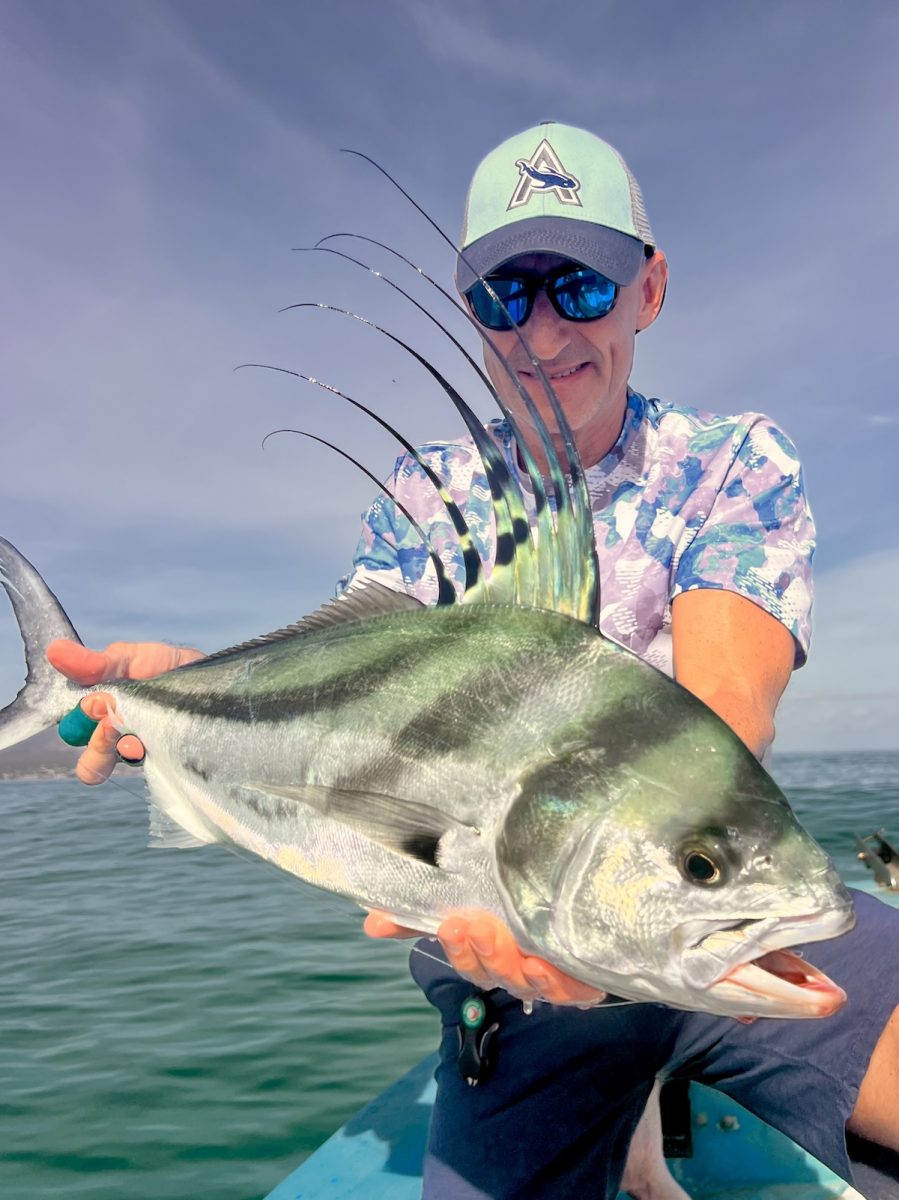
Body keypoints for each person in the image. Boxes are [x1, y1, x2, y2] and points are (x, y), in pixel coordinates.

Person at [49, 123, 899, 1200]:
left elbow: (725, 700)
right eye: (504, 296)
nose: (541, 330)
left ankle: (655, 1091)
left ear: (648, 288)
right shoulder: (425, 499)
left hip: (689, 929)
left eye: (579, 286)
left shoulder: (728, 460)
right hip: (510, 963)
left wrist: (672, 877)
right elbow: (350, 688)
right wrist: (180, 694)